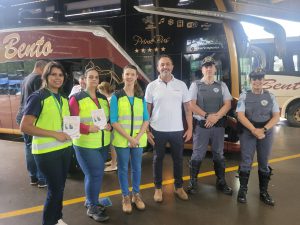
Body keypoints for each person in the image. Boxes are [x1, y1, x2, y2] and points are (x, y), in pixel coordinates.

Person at [20, 61, 73, 225]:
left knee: (60, 188)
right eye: (53, 74)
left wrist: (71, 132)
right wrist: (55, 134)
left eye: (60, 75)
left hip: (64, 150)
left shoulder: (64, 98)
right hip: (46, 153)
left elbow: (64, 123)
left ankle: (57, 218)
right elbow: (25, 126)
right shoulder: (38, 97)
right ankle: (49, 222)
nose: (57, 78)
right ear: (46, 76)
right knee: (55, 190)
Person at [145, 55, 192, 202]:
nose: (165, 67)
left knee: (178, 159)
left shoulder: (181, 85)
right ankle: (158, 189)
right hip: (157, 129)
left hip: (177, 129)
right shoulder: (151, 86)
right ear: (158, 68)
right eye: (162, 65)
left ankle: (178, 187)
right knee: (158, 159)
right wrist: (146, 130)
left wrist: (190, 128)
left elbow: (187, 109)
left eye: (168, 64)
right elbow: (146, 110)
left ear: (172, 67)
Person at [186, 56, 233, 196]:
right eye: (206, 66)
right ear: (202, 69)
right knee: (198, 154)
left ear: (215, 69)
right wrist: (207, 116)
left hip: (218, 125)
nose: (209, 68)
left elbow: (228, 104)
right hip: (202, 125)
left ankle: (221, 181)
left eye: (211, 66)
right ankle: (193, 182)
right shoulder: (195, 85)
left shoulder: (222, 85)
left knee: (219, 153)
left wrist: (215, 117)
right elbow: (191, 105)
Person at [69, 68, 110, 222]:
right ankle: (92, 206)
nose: (94, 79)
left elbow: (106, 119)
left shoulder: (103, 98)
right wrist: (87, 129)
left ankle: (91, 200)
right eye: (90, 77)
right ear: (84, 79)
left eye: (96, 77)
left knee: (93, 174)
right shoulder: (76, 98)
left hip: (103, 143)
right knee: (95, 174)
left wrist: (109, 125)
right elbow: (70, 125)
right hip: (85, 144)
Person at [236, 68, 280, 206]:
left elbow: (276, 116)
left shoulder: (270, 96)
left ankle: (264, 192)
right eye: (254, 79)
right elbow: (240, 115)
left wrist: (264, 129)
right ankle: (242, 190)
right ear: (250, 81)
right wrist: (254, 130)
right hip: (248, 131)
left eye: (260, 79)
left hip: (265, 132)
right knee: (246, 160)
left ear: (264, 80)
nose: (257, 81)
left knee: (264, 161)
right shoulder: (244, 95)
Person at [110, 65, 149, 213]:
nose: (129, 77)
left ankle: (136, 195)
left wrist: (137, 138)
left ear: (136, 76)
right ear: (123, 76)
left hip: (138, 140)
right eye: (127, 74)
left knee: (137, 168)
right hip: (122, 140)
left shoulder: (140, 96)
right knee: (123, 169)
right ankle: (125, 197)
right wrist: (129, 138)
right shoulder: (116, 96)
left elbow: (146, 119)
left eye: (132, 74)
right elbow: (113, 120)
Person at [16, 60, 48, 188]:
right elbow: (40, 99)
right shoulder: (38, 79)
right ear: (41, 68)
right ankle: (42, 178)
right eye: (46, 69)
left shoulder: (26, 79)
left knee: (28, 147)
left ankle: (33, 177)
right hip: (32, 117)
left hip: (21, 114)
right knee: (37, 147)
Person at [98, 81, 118, 172]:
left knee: (113, 146)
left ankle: (114, 164)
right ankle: (113, 161)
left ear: (103, 89)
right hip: (111, 124)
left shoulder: (110, 98)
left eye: (99, 90)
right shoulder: (110, 97)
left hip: (112, 125)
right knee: (112, 145)